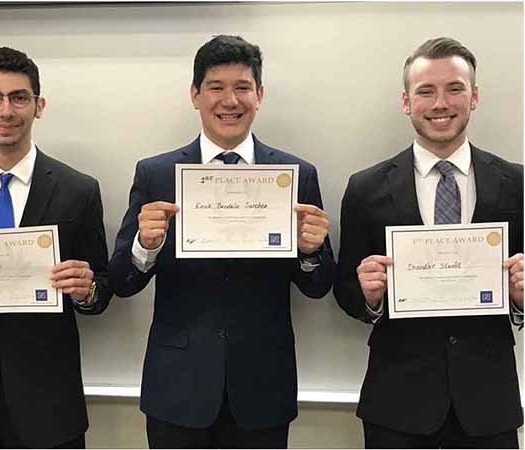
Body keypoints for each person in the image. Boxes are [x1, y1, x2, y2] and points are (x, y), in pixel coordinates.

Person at [109, 35, 336, 448]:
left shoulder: (296, 175)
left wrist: (310, 251)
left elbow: (318, 287)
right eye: (216, 87)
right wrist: (145, 244)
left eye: (242, 88)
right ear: (195, 95)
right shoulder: (156, 174)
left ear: (260, 95)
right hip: (176, 388)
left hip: (262, 388)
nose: (229, 101)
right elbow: (122, 282)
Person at [334, 37, 523, 448]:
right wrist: (368, 295)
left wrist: (522, 296)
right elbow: (346, 291)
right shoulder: (365, 189)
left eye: (454, 88)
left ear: (474, 97)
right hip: (396, 405)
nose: (441, 103)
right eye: (426, 91)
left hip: (488, 405)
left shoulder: (517, 185)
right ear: (406, 102)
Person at [0, 47, 111, 448]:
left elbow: (101, 290)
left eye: (19, 97)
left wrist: (88, 288)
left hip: (48, 404)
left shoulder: (78, 190)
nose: (5, 110)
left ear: (38, 105)